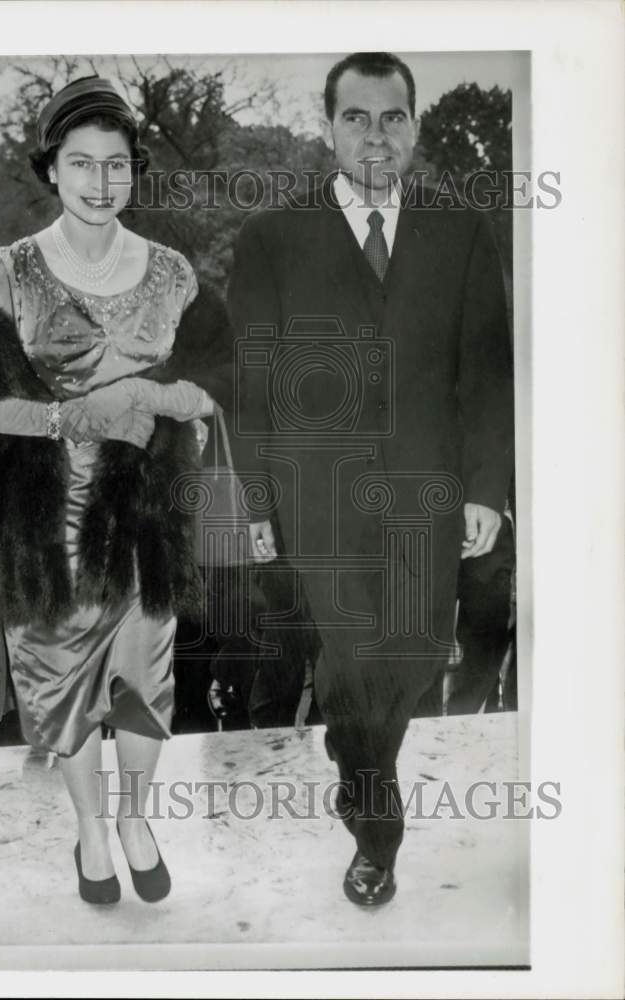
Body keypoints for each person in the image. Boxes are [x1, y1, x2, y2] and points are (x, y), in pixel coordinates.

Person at [0, 76, 234, 905]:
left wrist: (162, 398)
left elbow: (216, 381)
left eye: (118, 165)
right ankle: (91, 830)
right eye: (81, 163)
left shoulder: (172, 272)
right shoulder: (12, 269)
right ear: (51, 170)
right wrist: (77, 417)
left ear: (134, 170)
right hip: (44, 514)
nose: (102, 183)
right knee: (60, 686)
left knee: (142, 680)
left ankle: (136, 817)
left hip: (146, 514)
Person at [227, 52, 514, 906]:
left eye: (392, 117)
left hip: (427, 494)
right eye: (357, 117)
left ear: (414, 127)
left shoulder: (460, 229)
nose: (376, 134)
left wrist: (485, 490)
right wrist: (253, 506)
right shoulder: (272, 237)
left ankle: (350, 752)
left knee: (417, 653)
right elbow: (249, 382)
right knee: (355, 656)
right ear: (328, 129)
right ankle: (376, 831)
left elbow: (486, 376)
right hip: (318, 497)